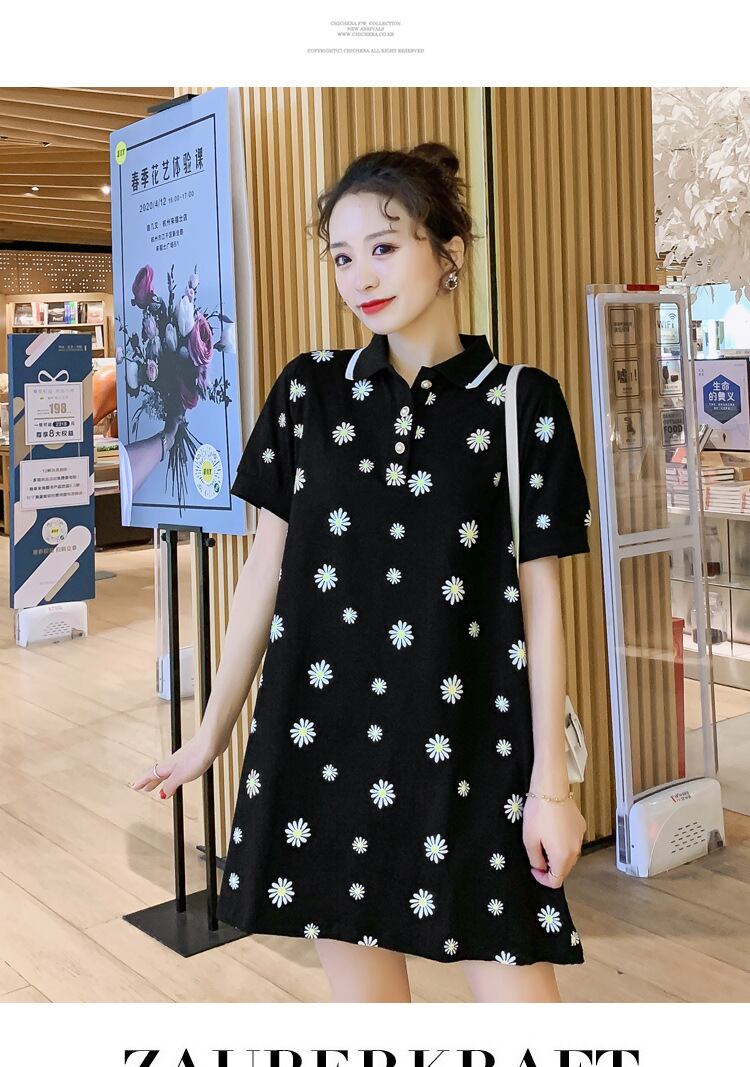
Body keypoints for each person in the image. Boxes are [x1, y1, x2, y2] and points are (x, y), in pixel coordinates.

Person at [132, 142, 592, 1004]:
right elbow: (263, 572)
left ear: (448, 252)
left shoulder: (520, 402)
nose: (360, 277)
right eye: (342, 257)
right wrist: (212, 731)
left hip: (474, 748)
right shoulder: (307, 393)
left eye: (384, 247)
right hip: (326, 744)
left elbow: (542, 601)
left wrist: (551, 788)